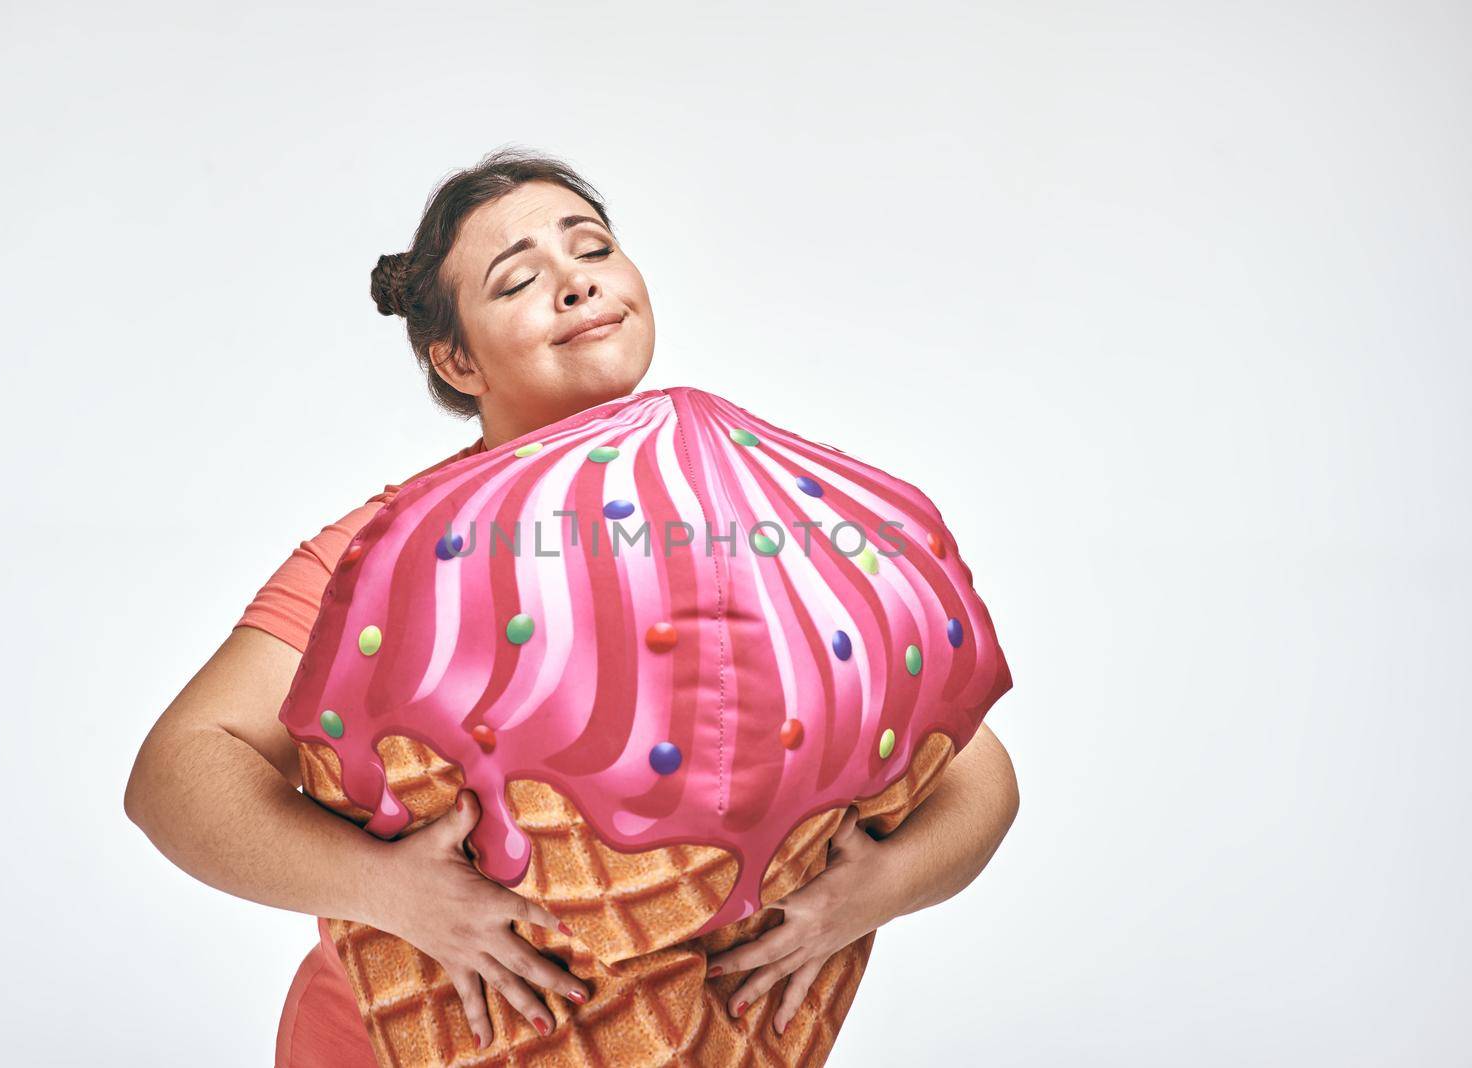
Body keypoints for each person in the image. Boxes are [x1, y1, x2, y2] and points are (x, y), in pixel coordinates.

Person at [124, 146, 1021, 1066]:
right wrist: (391, 892)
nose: (576, 286)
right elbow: (177, 773)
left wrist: (871, 891)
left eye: (592, 250)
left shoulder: (755, 519)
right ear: (457, 360)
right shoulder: (385, 557)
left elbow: (970, 769)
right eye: (518, 281)